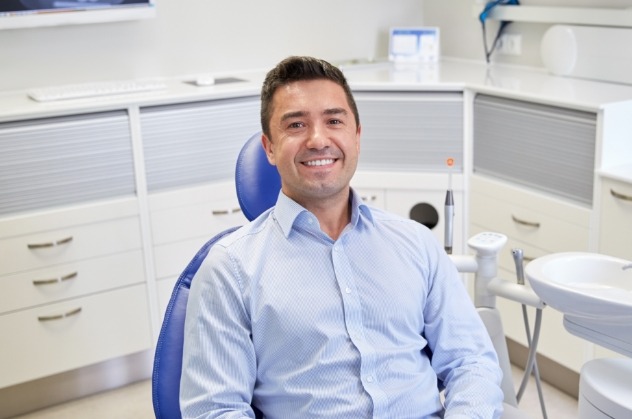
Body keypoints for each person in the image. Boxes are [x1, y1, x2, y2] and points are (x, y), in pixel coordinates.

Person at [180, 56, 504, 418]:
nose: (318, 140)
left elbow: (471, 362)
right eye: (296, 125)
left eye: (334, 121)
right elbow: (215, 409)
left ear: (357, 136)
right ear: (269, 148)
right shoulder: (230, 269)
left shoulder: (416, 244)